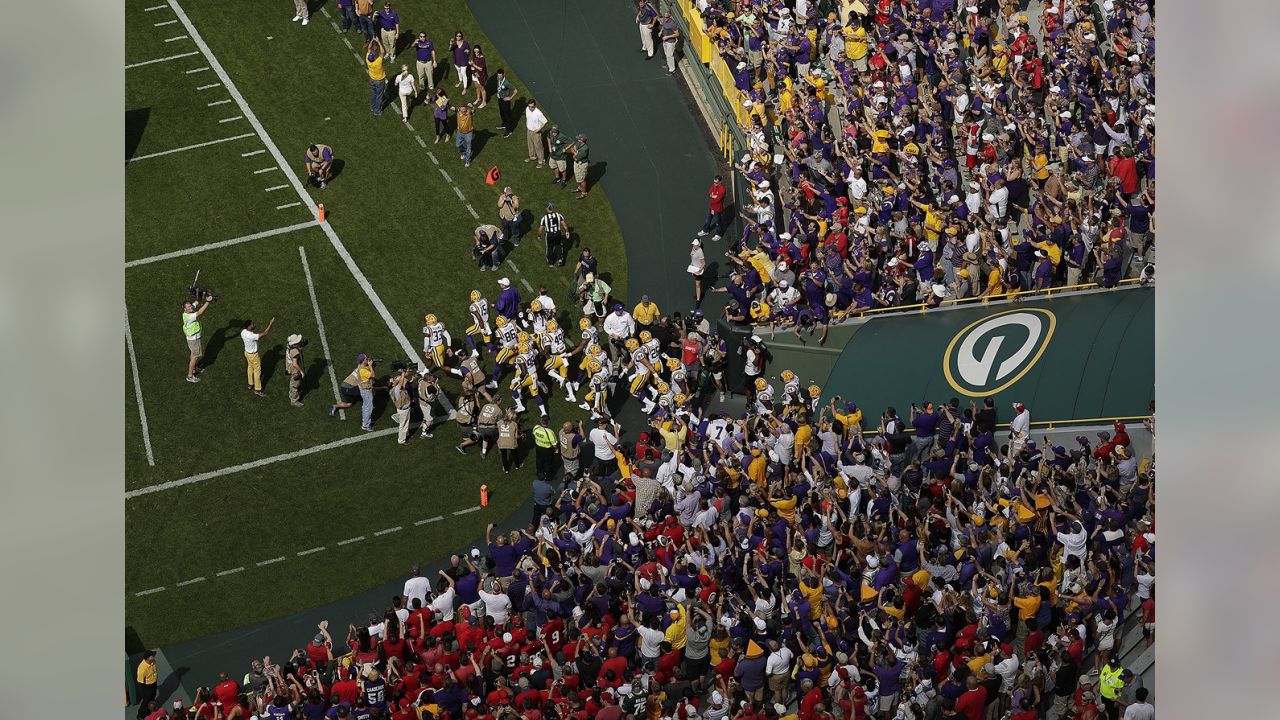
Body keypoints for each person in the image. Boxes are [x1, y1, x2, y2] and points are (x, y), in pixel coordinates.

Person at [329, 354, 376, 431]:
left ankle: (335, 406)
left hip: (345, 386)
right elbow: (372, 376)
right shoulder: (364, 371)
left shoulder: (359, 366)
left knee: (349, 404)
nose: (367, 360)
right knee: (368, 402)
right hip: (349, 388)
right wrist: (371, 366)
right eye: (366, 359)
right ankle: (366, 423)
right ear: (363, 361)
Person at [181, 294, 213, 383]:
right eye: (189, 307)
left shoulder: (187, 311)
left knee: (194, 355)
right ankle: (190, 376)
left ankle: (195, 369)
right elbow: (200, 312)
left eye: (191, 306)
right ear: (185, 309)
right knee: (195, 357)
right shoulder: (189, 317)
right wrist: (207, 302)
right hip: (193, 340)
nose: (191, 307)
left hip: (194, 338)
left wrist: (199, 295)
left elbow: (196, 303)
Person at [240, 317, 275, 397]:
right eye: (252, 324)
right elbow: (265, 333)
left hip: (247, 353)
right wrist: (270, 323)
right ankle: (258, 389)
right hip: (253, 355)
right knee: (257, 371)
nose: (253, 325)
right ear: (248, 327)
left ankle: (250, 384)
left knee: (250, 367)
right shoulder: (251, 336)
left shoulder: (243, 332)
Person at [537, 202, 569, 267]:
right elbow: (564, 225)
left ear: (547, 209)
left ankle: (550, 263)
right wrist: (567, 232)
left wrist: (539, 236)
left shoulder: (544, 218)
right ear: (553, 208)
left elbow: (540, 229)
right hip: (558, 233)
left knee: (549, 248)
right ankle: (560, 259)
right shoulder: (558, 215)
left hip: (549, 235)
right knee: (558, 246)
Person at [697, 175, 728, 241]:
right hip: (712, 207)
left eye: (716, 182)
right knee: (708, 219)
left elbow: (717, 200)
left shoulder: (722, 189)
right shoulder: (714, 185)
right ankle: (705, 231)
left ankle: (718, 234)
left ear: (720, 182)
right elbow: (709, 193)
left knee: (718, 222)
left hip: (718, 209)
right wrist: (714, 196)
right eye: (714, 182)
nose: (714, 184)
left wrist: (713, 196)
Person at [390, 369, 413, 445]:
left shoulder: (395, 389)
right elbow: (401, 382)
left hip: (403, 409)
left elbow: (401, 383)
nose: (396, 380)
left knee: (405, 423)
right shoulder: (396, 389)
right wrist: (403, 374)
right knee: (403, 425)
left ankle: (406, 435)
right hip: (404, 410)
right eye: (394, 381)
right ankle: (402, 440)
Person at [364, 39, 387, 116]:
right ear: (374, 58)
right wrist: (379, 42)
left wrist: (372, 41)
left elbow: (369, 48)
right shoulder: (378, 62)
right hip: (379, 80)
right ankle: (377, 110)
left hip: (372, 79)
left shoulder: (367, 59)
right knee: (379, 96)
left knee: (374, 93)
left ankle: (372, 106)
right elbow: (383, 52)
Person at [531, 418, 558, 482]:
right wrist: (556, 449)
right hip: (547, 450)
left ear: (541, 421)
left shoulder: (536, 427)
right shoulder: (550, 432)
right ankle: (549, 477)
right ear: (548, 422)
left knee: (539, 461)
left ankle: (540, 474)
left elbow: (533, 434)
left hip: (538, 448)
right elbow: (554, 444)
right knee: (548, 463)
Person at [415, 370, 441, 438]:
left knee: (427, 416)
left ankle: (425, 420)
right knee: (430, 420)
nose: (433, 379)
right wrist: (435, 384)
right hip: (427, 404)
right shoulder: (430, 387)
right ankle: (424, 433)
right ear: (429, 380)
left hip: (421, 400)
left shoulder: (421, 381)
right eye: (431, 379)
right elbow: (437, 392)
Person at [494, 68, 518, 137]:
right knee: (502, 113)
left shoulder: (507, 82)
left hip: (505, 101)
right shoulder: (498, 80)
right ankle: (504, 124)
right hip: (500, 99)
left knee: (507, 115)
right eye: (498, 76)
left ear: (503, 74)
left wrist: (510, 98)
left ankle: (509, 130)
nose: (499, 77)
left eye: (500, 76)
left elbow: (515, 90)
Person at [524, 99, 548, 167]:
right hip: (529, 130)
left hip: (536, 132)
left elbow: (545, 121)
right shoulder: (527, 109)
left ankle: (541, 161)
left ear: (535, 105)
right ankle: (532, 156)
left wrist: (538, 129)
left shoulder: (538, 113)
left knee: (538, 147)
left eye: (532, 107)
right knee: (530, 144)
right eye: (529, 106)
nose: (530, 108)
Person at [135, 651, 158, 718]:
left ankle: (149, 711)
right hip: (147, 687)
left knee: (152, 698)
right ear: (148, 658)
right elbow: (140, 683)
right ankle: (140, 715)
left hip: (154, 683)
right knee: (146, 701)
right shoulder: (142, 668)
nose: (153, 656)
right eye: (152, 656)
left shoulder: (153, 661)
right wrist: (144, 694)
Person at [497, 408, 521, 473]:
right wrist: (521, 436)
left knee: (503, 456)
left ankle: (506, 470)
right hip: (511, 442)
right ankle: (517, 466)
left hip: (501, 442)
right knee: (515, 454)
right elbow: (516, 436)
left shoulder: (499, 422)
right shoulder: (514, 424)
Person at [285, 333, 305, 407]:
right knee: (295, 386)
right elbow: (295, 364)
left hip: (290, 368)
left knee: (292, 383)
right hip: (295, 370)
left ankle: (291, 394)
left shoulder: (289, 347)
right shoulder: (295, 352)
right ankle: (294, 400)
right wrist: (301, 372)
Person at [569, 133, 591, 199]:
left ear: (582, 140)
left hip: (581, 165)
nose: (577, 139)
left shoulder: (584, 149)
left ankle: (584, 193)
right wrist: (576, 153)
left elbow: (575, 158)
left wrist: (575, 154)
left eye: (579, 138)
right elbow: (571, 148)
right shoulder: (579, 143)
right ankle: (580, 188)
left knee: (582, 180)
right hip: (577, 163)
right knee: (578, 178)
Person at [455, 102, 475, 167]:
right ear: (460, 108)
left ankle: (467, 161)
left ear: (466, 108)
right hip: (460, 132)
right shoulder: (458, 112)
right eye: (461, 108)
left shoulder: (469, 113)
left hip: (468, 133)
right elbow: (451, 108)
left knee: (469, 149)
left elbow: (474, 110)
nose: (463, 109)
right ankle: (463, 153)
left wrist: (472, 106)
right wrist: (446, 103)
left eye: (464, 108)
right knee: (457, 145)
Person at [688, 238, 707, 307]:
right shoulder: (693, 249)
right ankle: (698, 296)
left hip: (698, 270)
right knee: (697, 284)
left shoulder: (700, 252)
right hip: (694, 268)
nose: (694, 245)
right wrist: (691, 265)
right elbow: (693, 258)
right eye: (693, 244)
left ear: (699, 245)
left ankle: (698, 299)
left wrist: (698, 270)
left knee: (697, 285)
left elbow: (704, 263)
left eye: (695, 245)